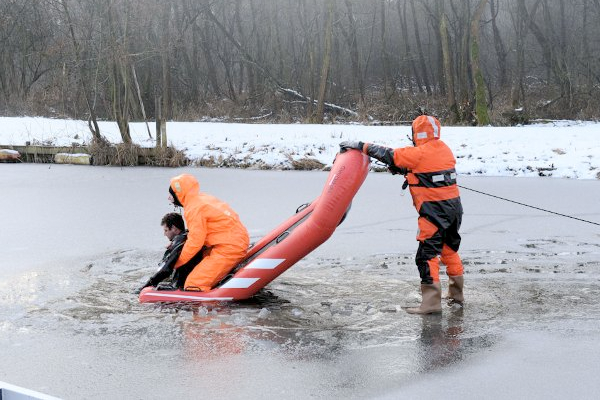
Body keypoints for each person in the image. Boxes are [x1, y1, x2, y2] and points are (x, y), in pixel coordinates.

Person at [340, 114, 464, 314]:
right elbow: (420, 165)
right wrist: (404, 170)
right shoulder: (443, 149)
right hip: (453, 210)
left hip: (434, 213)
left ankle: (431, 304)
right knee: (449, 250)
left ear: (416, 133)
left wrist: (360, 145)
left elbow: (390, 154)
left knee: (426, 256)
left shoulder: (418, 153)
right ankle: (456, 295)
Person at [168, 173, 250, 292]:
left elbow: (195, 241)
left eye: (171, 195)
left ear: (179, 194)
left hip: (229, 248)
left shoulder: (193, 209)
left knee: (194, 284)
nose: (169, 198)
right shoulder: (202, 198)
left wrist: (175, 263)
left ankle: (210, 309)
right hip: (232, 241)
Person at [136, 212, 187, 293]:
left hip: (181, 285)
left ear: (174, 228)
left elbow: (166, 270)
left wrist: (145, 286)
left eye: (166, 230)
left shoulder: (180, 242)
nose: (164, 234)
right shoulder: (187, 236)